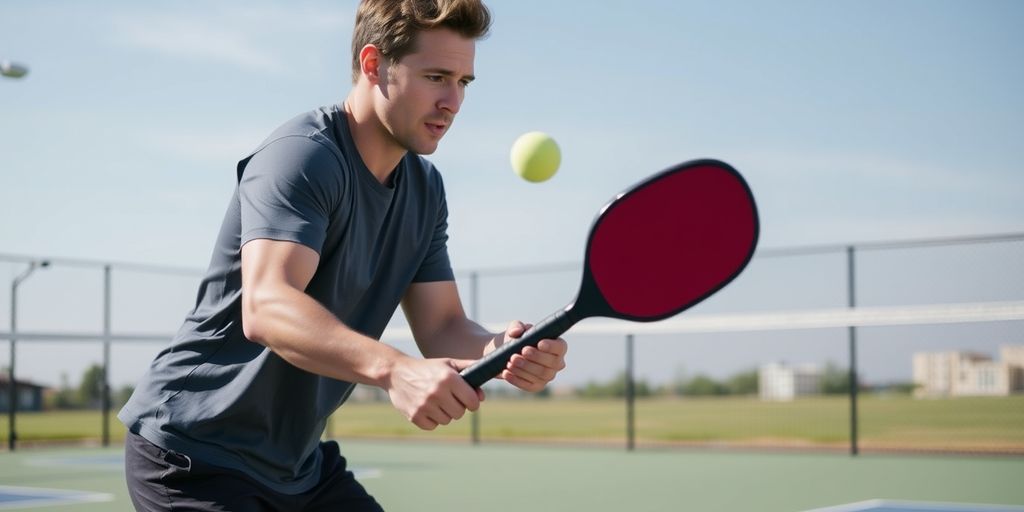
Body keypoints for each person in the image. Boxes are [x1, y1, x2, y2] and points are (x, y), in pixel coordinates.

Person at [118, 0, 568, 510]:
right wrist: (395, 371)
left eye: (464, 82)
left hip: (299, 467)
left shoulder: (424, 190)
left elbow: (443, 327)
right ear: (374, 65)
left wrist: (500, 351)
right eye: (437, 76)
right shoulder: (303, 155)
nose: (453, 101)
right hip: (195, 456)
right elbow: (266, 307)